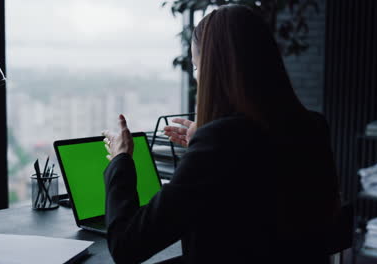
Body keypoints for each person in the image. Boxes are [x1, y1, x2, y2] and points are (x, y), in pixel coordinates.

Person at [102, 4, 340, 264]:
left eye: (195, 66)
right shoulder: (312, 127)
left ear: (214, 69)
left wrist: (121, 160)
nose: (196, 78)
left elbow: (126, 245)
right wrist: (202, 144)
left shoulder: (220, 142)